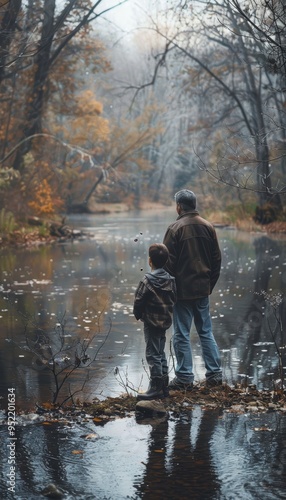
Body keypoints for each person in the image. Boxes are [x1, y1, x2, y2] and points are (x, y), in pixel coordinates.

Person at [163, 189, 222, 390]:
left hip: (182, 292)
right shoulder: (209, 227)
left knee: (181, 334)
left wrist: (171, 291)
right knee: (206, 332)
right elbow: (216, 262)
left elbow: (166, 264)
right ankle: (215, 375)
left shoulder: (175, 228)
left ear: (179, 206)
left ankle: (184, 378)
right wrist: (208, 286)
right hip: (203, 289)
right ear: (194, 205)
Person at [133, 243, 177, 400]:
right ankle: (164, 386)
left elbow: (139, 300)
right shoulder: (171, 280)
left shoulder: (147, 280)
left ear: (150, 261)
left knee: (152, 354)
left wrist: (138, 314)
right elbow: (174, 298)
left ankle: (156, 387)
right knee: (160, 352)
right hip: (164, 322)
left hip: (151, 323)